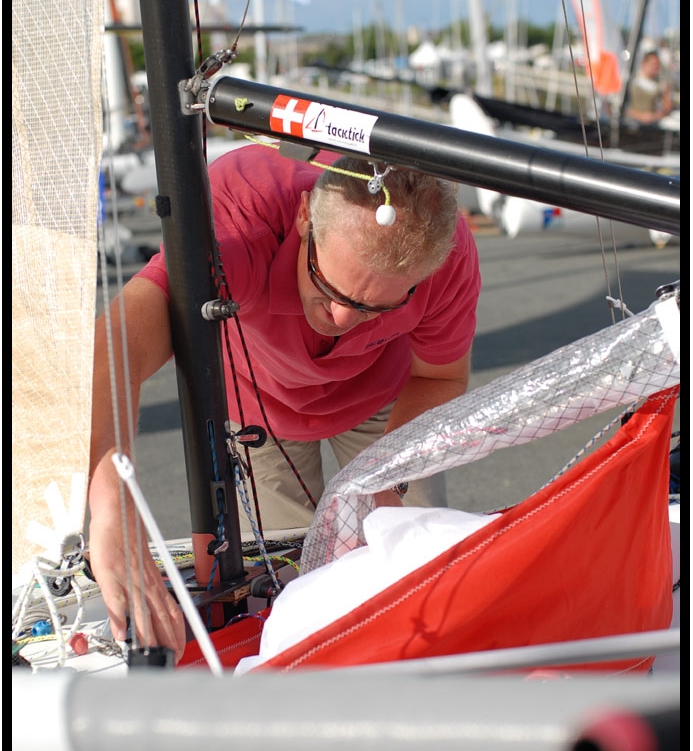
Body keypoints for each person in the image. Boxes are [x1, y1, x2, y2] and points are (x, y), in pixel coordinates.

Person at [87, 143, 482, 660]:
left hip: (384, 404)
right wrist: (113, 509)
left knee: (415, 574)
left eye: (374, 308)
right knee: (289, 588)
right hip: (259, 406)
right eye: (326, 287)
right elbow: (113, 350)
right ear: (303, 219)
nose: (341, 319)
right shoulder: (241, 214)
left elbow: (440, 375)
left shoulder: (446, 257)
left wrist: (389, 478)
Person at [624, 50, 673, 124]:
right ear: (644, 63)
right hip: (630, 124)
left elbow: (667, 108)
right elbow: (623, 106)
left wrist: (655, 116)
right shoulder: (632, 80)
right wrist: (640, 116)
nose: (655, 67)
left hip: (652, 125)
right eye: (652, 64)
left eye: (657, 64)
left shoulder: (660, 84)